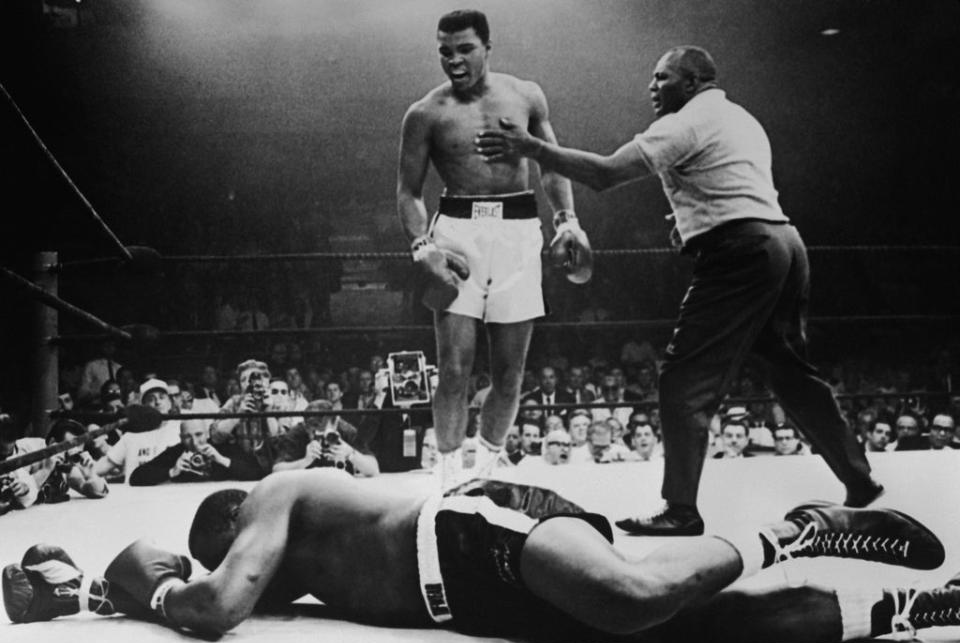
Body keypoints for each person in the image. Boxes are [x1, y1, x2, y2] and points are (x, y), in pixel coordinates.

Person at [475, 45, 883, 535]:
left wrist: (533, 148)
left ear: (690, 82)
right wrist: (692, 221)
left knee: (683, 379)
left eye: (662, 77)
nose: (652, 87)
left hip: (743, 252)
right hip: (783, 244)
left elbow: (605, 175)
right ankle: (860, 482)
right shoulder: (738, 117)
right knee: (789, 371)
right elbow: (729, 182)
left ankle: (681, 510)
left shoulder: (686, 121)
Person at [5, 472, 956, 643]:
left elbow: (212, 608)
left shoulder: (278, 495)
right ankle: (915, 610)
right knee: (693, 625)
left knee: (633, 599)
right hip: (474, 596)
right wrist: (86, 589)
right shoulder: (304, 572)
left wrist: (162, 587)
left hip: (469, 530)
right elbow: (220, 598)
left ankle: (796, 528)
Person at [396, 9, 592, 491]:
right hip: (456, 235)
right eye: (445, 51)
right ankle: (445, 473)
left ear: (487, 47)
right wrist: (423, 247)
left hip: (519, 230)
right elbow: (408, 190)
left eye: (464, 49)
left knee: (510, 370)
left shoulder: (526, 95)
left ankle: (486, 467)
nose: (454, 60)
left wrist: (567, 219)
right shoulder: (425, 113)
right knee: (455, 367)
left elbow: (551, 164)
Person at [128, 420, 264, 486]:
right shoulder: (175, 452)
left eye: (199, 434)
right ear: (181, 438)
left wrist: (222, 460)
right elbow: (136, 477)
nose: (194, 442)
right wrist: (171, 471)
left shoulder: (223, 448)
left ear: (207, 434)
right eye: (188, 437)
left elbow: (258, 472)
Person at [271, 400, 379, 478]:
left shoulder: (346, 430)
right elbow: (277, 470)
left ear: (336, 422)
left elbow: (373, 469)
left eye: (324, 432)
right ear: (305, 426)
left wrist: (350, 454)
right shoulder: (296, 434)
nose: (322, 440)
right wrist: (305, 461)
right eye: (314, 434)